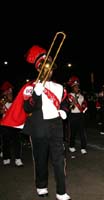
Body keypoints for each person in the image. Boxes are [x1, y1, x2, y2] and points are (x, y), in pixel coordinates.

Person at [21, 45, 71, 200]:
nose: (48, 70)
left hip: (56, 126)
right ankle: (41, 186)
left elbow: (65, 102)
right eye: (44, 67)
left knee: (59, 159)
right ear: (38, 69)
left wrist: (64, 110)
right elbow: (26, 107)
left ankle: (61, 191)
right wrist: (36, 94)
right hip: (39, 127)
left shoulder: (59, 86)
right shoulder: (30, 87)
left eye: (50, 67)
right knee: (41, 159)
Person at [0, 81, 24, 166]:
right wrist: (1, 110)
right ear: (4, 92)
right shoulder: (1, 100)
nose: (9, 92)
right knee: (5, 141)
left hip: (14, 123)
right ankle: (6, 157)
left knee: (16, 141)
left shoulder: (16, 99)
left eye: (10, 91)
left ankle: (18, 158)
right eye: (7, 91)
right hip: (5, 123)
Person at [67, 75, 88, 155]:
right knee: (73, 132)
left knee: (82, 132)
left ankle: (83, 147)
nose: (77, 88)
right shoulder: (69, 96)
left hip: (80, 115)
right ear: (72, 87)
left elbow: (84, 106)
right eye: (75, 87)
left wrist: (84, 107)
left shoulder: (82, 96)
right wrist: (73, 101)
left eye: (78, 87)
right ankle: (71, 146)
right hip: (73, 116)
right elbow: (70, 108)